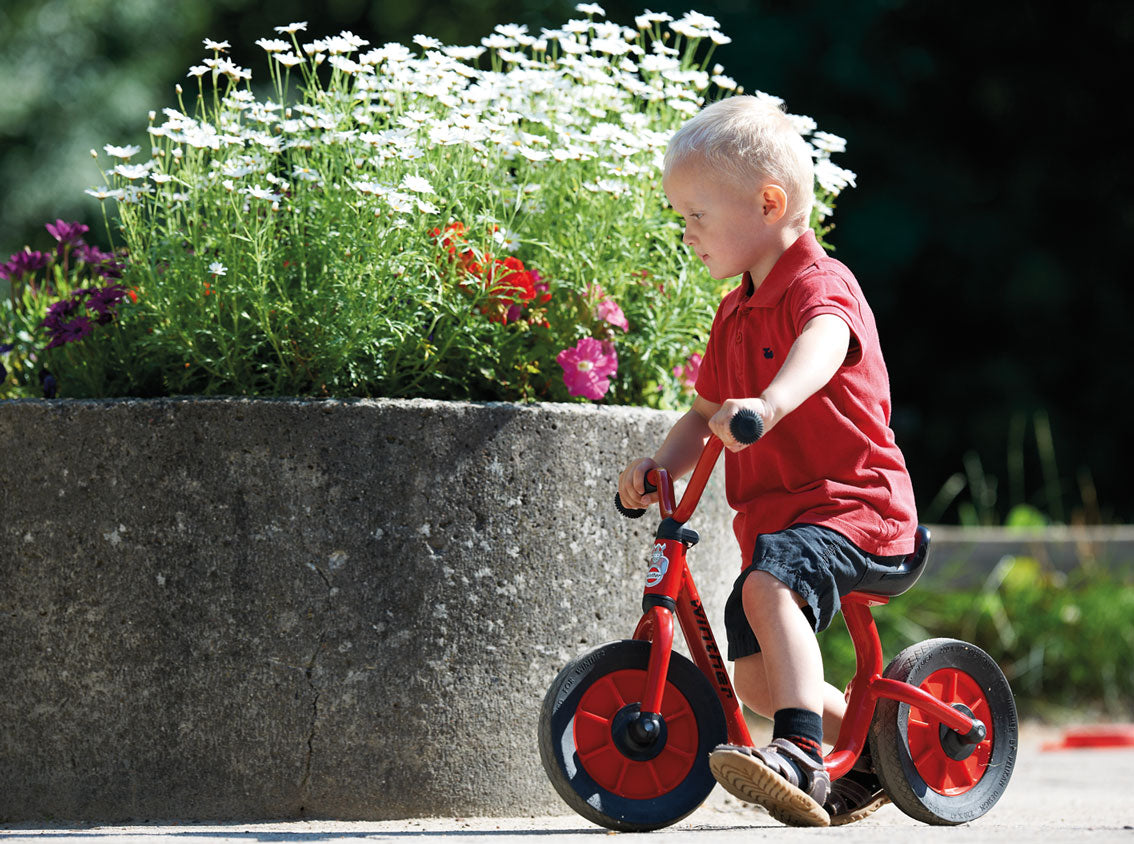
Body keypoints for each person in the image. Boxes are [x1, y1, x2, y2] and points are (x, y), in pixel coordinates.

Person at [617, 95, 918, 827]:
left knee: (771, 583)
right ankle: (871, 747)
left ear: (768, 203)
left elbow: (823, 347)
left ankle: (801, 753)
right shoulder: (735, 312)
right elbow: (701, 414)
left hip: (858, 508)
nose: (684, 232)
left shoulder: (820, 285)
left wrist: (771, 404)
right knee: (752, 672)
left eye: (695, 215)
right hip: (781, 525)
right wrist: (660, 469)